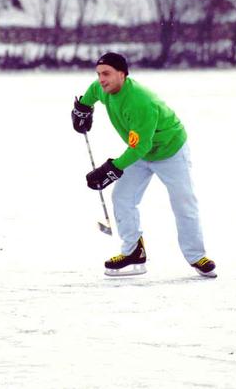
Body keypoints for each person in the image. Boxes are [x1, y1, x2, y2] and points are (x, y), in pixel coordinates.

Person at [72, 52, 216, 278]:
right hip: (139, 151)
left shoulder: (140, 101)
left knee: (183, 201)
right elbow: (91, 94)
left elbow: (141, 148)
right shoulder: (102, 88)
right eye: (99, 74)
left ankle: (197, 256)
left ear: (122, 74)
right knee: (122, 197)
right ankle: (133, 252)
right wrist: (82, 109)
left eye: (107, 73)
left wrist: (110, 169)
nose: (101, 79)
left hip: (170, 150)